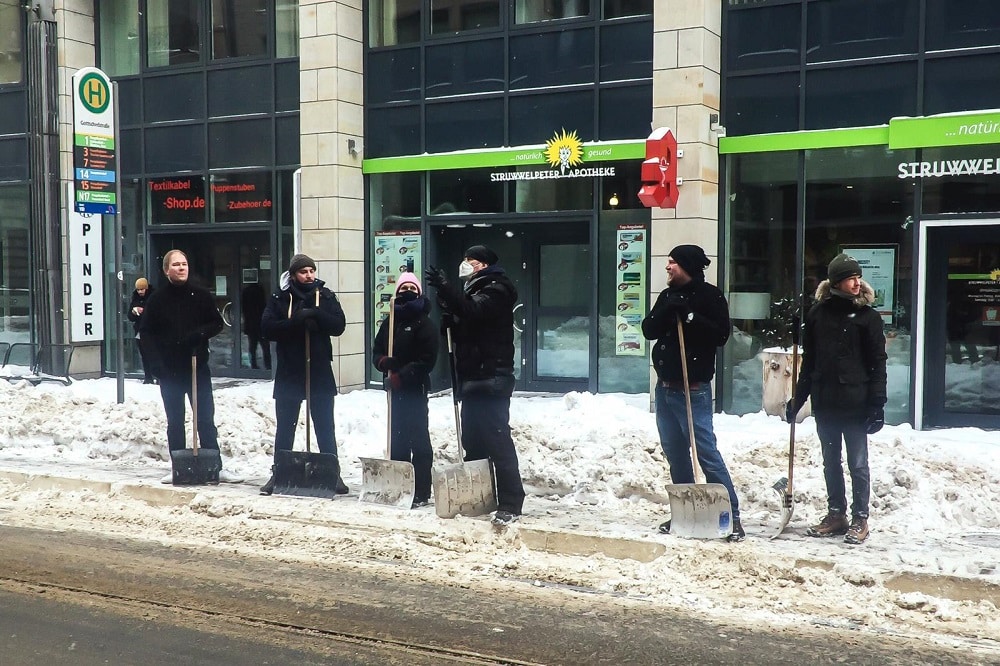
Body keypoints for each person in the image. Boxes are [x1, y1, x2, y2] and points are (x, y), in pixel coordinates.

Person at [641, 244, 744, 542]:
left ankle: (731, 516)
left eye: (672, 262)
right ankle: (686, 512)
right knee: (675, 453)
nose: (668, 267)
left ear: (687, 266)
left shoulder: (710, 297)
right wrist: (667, 310)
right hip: (665, 389)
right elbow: (649, 329)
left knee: (707, 454)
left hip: (692, 389)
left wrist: (688, 316)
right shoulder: (667, 295)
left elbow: (720, 335)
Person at [787, 253, 887, 545]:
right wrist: (798, 399)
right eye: (850, 278)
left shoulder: (868, 318)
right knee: (830, 461)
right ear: (836, 282)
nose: (857, 283)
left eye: (858, 277)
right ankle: (836, 514)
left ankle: (860, 518)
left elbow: (878, 363)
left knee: (858, 464)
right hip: (826, 400)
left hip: (856, 402)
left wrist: (876, 405)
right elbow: (811, 361)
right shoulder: (819, 314)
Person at [424, 245, 525, 526]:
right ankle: (481, 494)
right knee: (473, 440)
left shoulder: (497, 288)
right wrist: (453, 321)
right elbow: (470, 320)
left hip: (491, 376)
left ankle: (511, 501)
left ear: (482, 265)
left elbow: (476, 311)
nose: (465, 264)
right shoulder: (474, 288)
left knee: (497, 439)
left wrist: (446, 289)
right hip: (473, 377)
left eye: (471, 260)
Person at [139, 250, 241, 484]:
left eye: (184, 264)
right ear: (167, 271)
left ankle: (214, 466)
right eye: (176, 265)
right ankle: (178, 466)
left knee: (205, 418)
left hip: (197, 368)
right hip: (170, 370)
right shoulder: (157, 299)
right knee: (175, 421)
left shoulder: (201, 295)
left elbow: (216, 323)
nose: (181, 268)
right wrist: (156, 365)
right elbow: (146, 333)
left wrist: (200, 334)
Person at [259, 254, 347, 496]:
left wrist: (317, 315)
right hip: (290, 369)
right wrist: (295, 323)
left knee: (324, 425)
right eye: (303, 272)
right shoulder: (280, 297)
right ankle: (279, 473)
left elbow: (339, 325)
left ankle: (333, 472)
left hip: (318, 368)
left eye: (312, 270)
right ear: (294, 274)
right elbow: (267, 328)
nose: (309, 276)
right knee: (285, 426)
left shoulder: (325, 295)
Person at [371, 272, 439, 508]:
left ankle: (421, 490)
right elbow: (377, 350)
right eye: (403, 288)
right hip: (395, 392)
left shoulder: (424, 323)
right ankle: (401, 485)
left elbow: (427, 361)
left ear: (418, 292)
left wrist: (401, 376)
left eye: (411, 287)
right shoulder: (390, 322)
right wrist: (383, 362)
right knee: (397, 439)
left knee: (419, 441)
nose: (407, 291)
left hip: (415, 390)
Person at [127, 277, 155, 384]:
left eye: (142, 289)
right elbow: (130, 316)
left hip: (152, 330)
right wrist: (134, 312)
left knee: (153, 354)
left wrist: (144, 311)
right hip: (140, 330)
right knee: (144, 355)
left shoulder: (153, 297)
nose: (140, 292)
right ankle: (148, 377)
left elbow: (155, 313)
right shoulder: (135, 299)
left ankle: (156, 376)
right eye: (138, 290)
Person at [241, 282, 271, 370]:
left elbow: (244, 309)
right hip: (260, 323)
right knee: (265, 347)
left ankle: (253, 365)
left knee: (253, 346)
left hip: (251, 324)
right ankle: (268, 365)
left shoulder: (246, 292)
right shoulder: (259, 291)